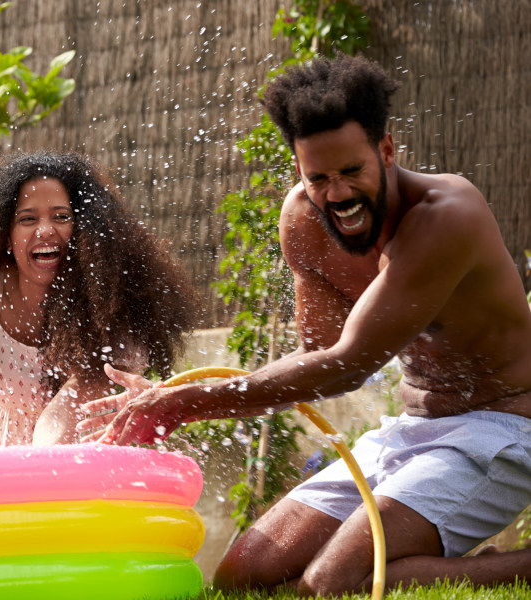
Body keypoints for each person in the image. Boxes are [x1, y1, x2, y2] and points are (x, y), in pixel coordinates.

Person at [77, 55, 531, 594]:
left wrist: (185, 404)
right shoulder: (303, 220)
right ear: (298, 168)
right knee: (241, 578)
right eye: (318, 177)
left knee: (328, 584)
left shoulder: (445, 215)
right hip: (411, 432)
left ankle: (517, 568)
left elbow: (347, 368)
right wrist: (185, 391)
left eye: (352, 172)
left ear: (387, 150)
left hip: (500, 431)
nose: (337, 194)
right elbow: (316, 352)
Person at [0, 151, 196, 447]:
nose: (45, 230)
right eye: (28, 219)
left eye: (61, 217)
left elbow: (55, 432)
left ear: (85, 232)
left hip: (80, 455)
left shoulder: (114, 302)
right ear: (5, 235)